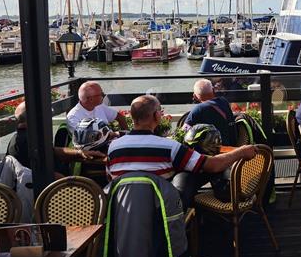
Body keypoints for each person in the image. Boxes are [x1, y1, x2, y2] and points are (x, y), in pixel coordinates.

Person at [107, 94, 257, 208]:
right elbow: (212, 165)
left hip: (124, 208)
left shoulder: (113, 148)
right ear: (155, 116)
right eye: (160, 110)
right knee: (188, 175)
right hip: (160, 211)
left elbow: (110, 178)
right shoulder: (168, 147)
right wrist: (242, 151)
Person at [183, 79, 237, 146]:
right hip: (229, 146)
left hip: (211, 150)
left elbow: (184, 132)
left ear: (195, 96)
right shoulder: (224, 101)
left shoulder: (199, 109)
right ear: (213, 90)